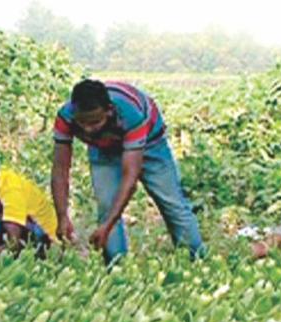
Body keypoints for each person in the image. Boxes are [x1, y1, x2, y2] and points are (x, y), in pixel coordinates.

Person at [51, 79, 205, 263]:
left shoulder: (131, 114)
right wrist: (62, 216)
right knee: (107, 207)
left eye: (94, 122)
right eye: (81, 122)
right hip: (103, 147)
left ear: (109, 111)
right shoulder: (66, 116)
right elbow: (60, 170)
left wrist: (108, 225)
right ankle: (116, 268)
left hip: (150, 142)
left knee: (172, 204)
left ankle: (197, 260)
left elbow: (130, 178)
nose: (87, 129)